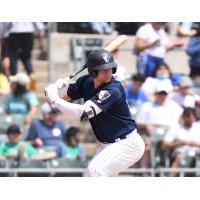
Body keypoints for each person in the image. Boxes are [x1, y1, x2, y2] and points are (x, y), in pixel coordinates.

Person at [45, 49, 145, 177]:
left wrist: (55, 100)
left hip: (127, 144)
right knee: (88, 175)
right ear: (93, 72)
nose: (108, 72)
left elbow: (83, 112)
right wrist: (59, 88)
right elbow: (65, 97)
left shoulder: (113, 89)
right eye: (104, 70)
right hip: (108, 145)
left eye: (110, 68)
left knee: (95, 171)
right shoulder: (86, 82)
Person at [135, 83, 183, 168]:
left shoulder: (174, 106)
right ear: (155, 94)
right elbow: (138, 121)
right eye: (160, 93)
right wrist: (147, 126)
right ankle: (144, 171)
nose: (162, 96)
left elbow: (181, 120)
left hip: (169, 134)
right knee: (148, 147)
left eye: (164, 93)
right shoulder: (147, 105)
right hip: (149, 133)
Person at [162, 108, 200, 176]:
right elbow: (164, 145)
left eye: (192, 115)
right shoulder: (176, 128)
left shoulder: (198, 127)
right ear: (183, 117)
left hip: (197, 153)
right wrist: (179, 143)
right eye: (187, 115)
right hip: (181, 153)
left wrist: (195, 145)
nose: (190, 118)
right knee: (179, 157)